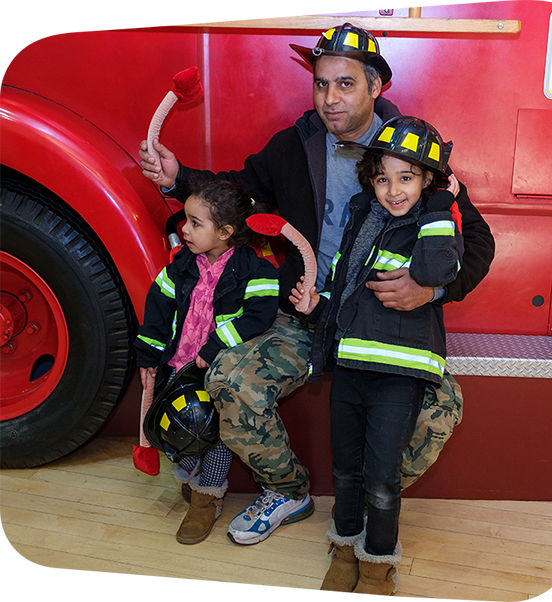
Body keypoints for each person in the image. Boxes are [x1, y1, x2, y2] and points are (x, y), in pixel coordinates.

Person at [138, 23, 495, 546]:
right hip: (306, 315)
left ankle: (375, 496)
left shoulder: (414, 150)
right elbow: (239, 192)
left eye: (345, 84)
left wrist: (430, 290)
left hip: (387, 324)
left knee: (444, 408)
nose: (330, 98)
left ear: (376, 87)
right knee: (228, 381)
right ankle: (286, 490)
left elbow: (478, 242)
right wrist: (179, 177)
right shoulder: (295, 143)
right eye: (321, 84)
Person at [290, 116, 462, 599]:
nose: (393, 190)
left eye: (407, 178)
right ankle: (344, 551)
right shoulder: (365, 221)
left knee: (383, 480)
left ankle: (376, 569)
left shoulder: (435, 224)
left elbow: (433, 271)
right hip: (350, 368)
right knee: (345, 471)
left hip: (398, 377)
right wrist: (315, 305)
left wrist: (441, 202)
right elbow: (350, 294)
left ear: (427, 179)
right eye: (383, 178)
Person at [134, 178, 279, 545]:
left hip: (217, 371)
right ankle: (188, 475)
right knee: (176, 429)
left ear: (226, 233)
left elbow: (257, 318)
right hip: (178, 366)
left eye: (196, 223)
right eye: (186, 219)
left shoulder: (256, 271)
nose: (183, 229)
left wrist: (215, 346)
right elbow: (157, 310)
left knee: (213, 435)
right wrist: (149, 354)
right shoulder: (180, 266)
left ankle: (206, 499)